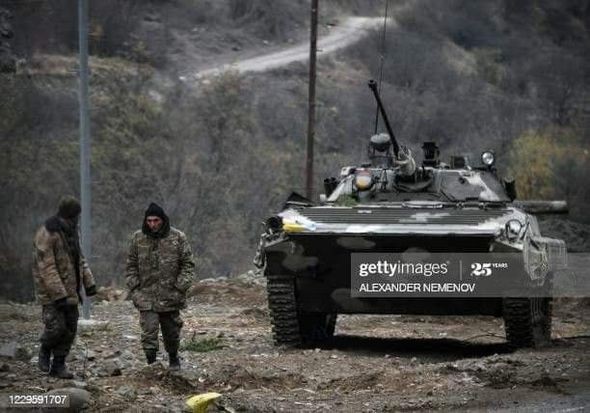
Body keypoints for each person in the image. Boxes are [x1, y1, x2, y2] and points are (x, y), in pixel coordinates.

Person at [32, 196, 97, 378]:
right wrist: (59, 294)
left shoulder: (72, 232)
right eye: (75, 215)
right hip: (52, 294)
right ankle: (45, 349)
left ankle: (58, 365)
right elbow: (47, 267)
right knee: (55, 327)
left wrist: (89, 283)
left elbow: (80, 260)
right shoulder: (47, 233)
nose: (76, 219)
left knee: (70, 329)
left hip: (71, 290)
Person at [126, 202, 195, 371]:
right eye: (149, 221)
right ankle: (151, 365)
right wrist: (135, 289)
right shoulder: (138, 238)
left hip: (170, 295)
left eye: (156, 220)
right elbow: (131, 265)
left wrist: (180, 287)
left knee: (171, 332)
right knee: (149, 331)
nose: (152, 225)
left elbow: (188, 264)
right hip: (146, 296)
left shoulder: (177, 237)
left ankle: (173, 358)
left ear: (162, 220)